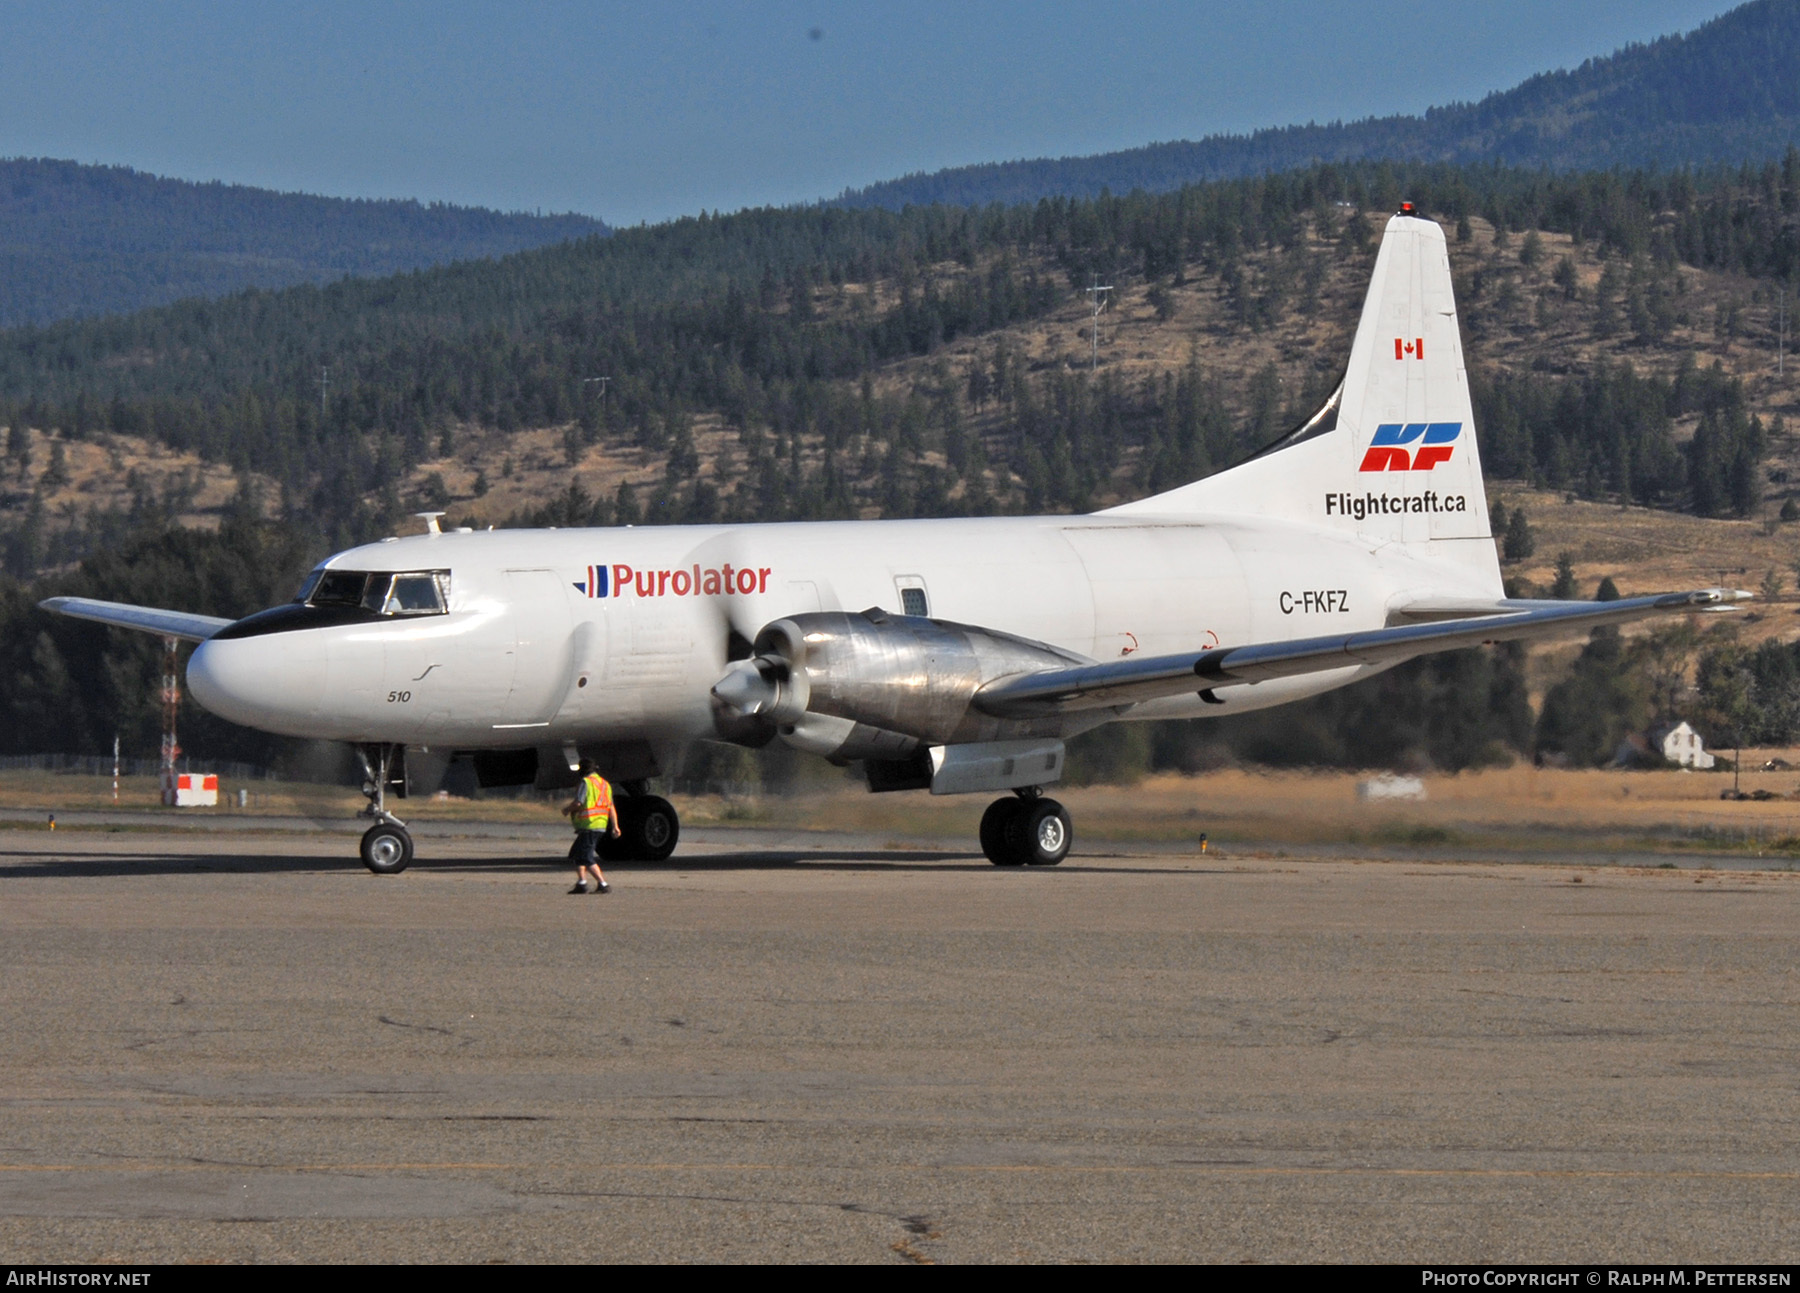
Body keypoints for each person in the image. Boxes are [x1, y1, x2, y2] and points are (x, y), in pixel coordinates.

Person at [561, 759, 621, 894]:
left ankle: (603, 884)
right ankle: (582, 883)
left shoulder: (586, 782)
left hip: (589, 824)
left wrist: (566, 810)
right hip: (599, 825)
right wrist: (615, 826)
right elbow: (611, 807)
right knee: (577, 853)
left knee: (586, 857)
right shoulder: (605, 784)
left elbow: (578, 802)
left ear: (582, 769)